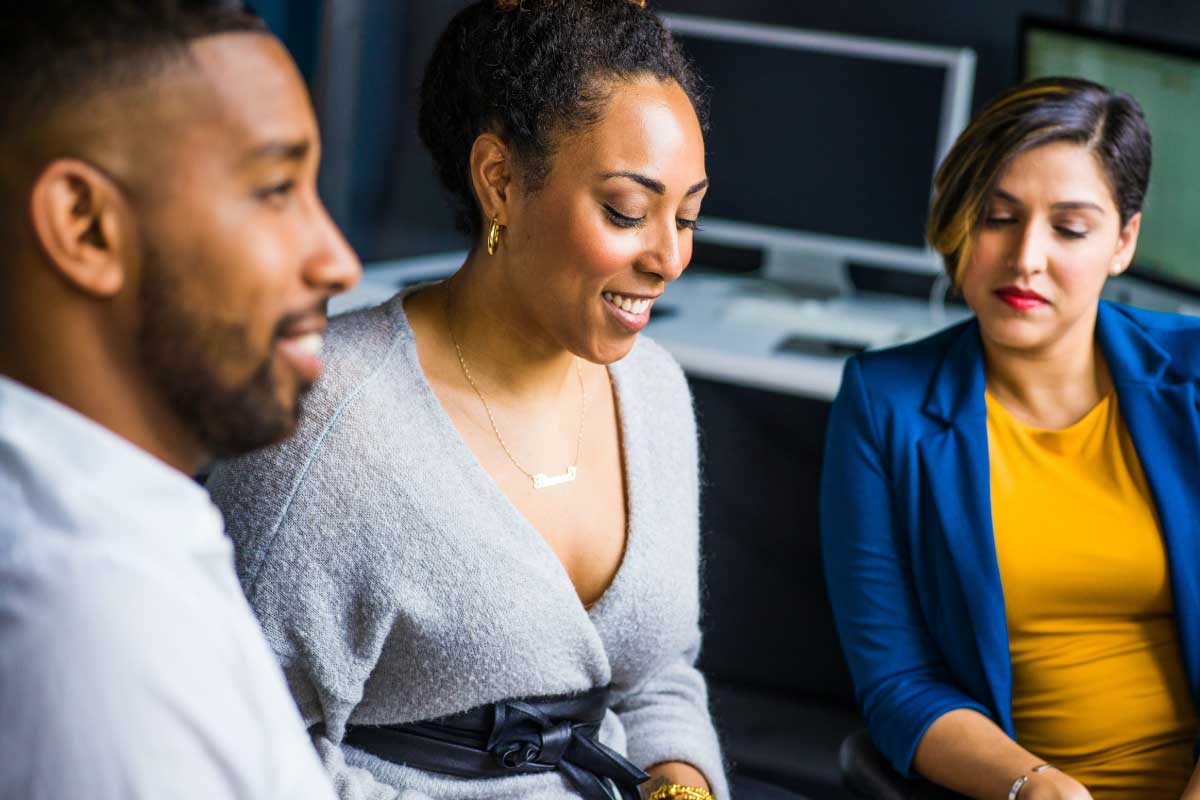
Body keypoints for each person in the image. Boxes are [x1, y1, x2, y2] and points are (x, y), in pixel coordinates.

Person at [205, 1, 737, 799]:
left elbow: (660, 675)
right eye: (628, 211)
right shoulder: (326, 422)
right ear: (500, 180)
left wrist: (683, 778)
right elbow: (234, 748)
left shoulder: (654, 390)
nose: (669, 257)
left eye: (687, 215)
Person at [0, 2, 360, 798]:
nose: (338, 260)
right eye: (275, 189)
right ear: (87, 226)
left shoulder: (112, 528)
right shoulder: (91, 625)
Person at [821, 76, 1200, 800]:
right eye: (998, 217)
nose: (1026, 257)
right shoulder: (883, 405)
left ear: (1123, 242)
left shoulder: (1195, 375)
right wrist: (1034, 786)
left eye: (1070, 228)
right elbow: (898, 684)